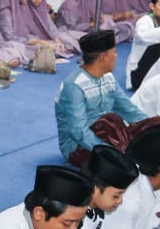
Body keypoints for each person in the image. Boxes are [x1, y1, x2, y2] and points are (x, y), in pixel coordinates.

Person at [55, 30, 148, 165]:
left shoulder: (108, 78)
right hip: (78, 147)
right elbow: (78, 131)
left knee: (157, 124)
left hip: (109, 135)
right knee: (111, 120)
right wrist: (109, 151)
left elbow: (129, 110)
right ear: (103, 57)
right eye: (114, 52)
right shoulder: (74, 86)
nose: (117, 56)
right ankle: (128, 157)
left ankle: (129, 156)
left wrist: (152, 127)